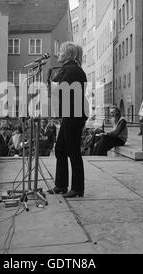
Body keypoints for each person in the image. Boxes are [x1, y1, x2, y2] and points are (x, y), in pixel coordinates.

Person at [48, 42, 88, 198]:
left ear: (69, 54)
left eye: (62, 51)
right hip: (72, 113)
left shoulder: (72, 70)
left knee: (73, 151)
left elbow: (62, 92)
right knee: (60, 149)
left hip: (74, 114)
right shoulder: (70, 69)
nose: (58, 53)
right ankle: (61, 185)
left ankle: (77, 188)